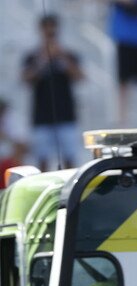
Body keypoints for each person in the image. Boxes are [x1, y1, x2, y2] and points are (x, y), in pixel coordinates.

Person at [22, 15, 83, 171]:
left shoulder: (67, 55)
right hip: (41, 116)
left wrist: (61, 56)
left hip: (66, 114)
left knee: (70, 158)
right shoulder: (32, 56)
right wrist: (43, 59)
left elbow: (79, 76)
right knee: (42, 159)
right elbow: (26, 79)